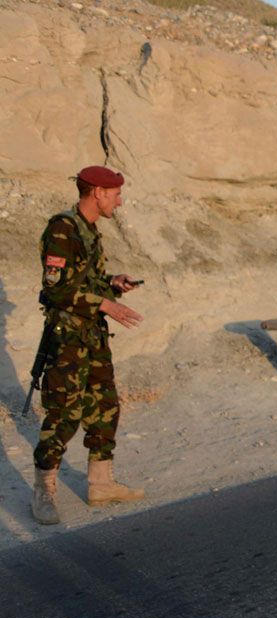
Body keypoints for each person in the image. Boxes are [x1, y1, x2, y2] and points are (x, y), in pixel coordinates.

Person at [32, 165, 145, 525]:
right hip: (67, 338)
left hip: (92, 335)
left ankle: (100, 484)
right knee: (64, 413)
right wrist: (107, 305)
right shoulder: (62, 229)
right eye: (114, 194)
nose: (119, 201)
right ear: (97, 192)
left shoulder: (89, 230)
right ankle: (44, 491)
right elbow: (56, 289)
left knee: (105, 407)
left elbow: (84, 280)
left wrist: (112, 282)